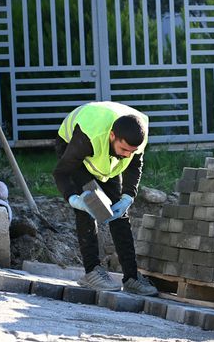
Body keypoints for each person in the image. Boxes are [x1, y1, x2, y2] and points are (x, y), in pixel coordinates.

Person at [52, 101, 158, 296]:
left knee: (119, 211)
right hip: (73, 146)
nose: (127, 155)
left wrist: (128, 196)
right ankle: (92, 271)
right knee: (89, 205)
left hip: (104, 160)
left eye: (131, 151)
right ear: (112, 136)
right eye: (124, 149)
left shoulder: (136, 139)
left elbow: (134, 164)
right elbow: (61, 173)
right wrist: (73, 198)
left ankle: (132, 277)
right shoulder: (87, 138)